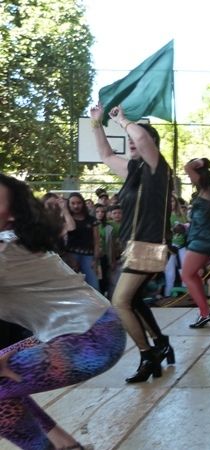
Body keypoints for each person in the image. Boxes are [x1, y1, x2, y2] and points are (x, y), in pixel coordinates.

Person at [0, 173, 126, 450]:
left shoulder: (7, 251)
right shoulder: (13, 239)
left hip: (92, 338)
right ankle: (65, 445)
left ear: (12, 214)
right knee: (5, 374)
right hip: (85, 328)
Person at [90, 103, 175, 383]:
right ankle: (160, 343)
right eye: (129, 139)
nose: (132, 141)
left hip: (148, 247)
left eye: (137, 139)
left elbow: (140, 137)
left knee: (120, 302)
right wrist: (96, 122)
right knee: (133, 299)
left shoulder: (157, 168)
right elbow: (105, 155)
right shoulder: (133, 171)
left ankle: (148, 355)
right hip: (134, 247)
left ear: (152, 145)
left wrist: (123, 120)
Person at [183, 158, 210, 328]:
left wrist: (201, 161)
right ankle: (204, 313)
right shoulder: (209, 191)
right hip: (208, 238)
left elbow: (187, 167)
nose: (189, 178)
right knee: (193, 275)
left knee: (187, 275)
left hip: (204, 240)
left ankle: (206, 313)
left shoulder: (206, 189)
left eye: (191, 175)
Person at [64, 192, 100, 290]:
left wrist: (95, 259)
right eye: (73, 203)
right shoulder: (66, 219)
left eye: (79, 203)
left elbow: (96, 240)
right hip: (71, 255)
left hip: (89, 256)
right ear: (68, 204)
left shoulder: (92, 220)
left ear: (83, 203)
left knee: (94, 285)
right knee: (71, 287)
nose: (76, 206)